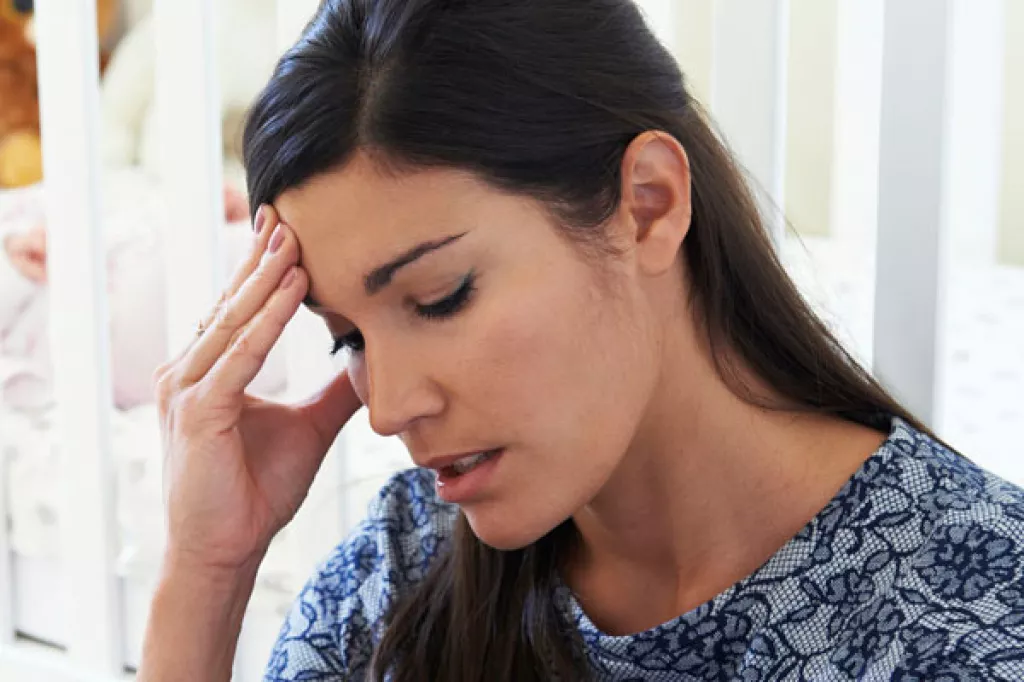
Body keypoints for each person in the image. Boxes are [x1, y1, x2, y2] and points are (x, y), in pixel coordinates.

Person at [137, 0, 1024, 680]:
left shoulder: (974, 614)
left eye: (441, 298)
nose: (390, 409)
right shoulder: (402, 567)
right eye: (348, 340)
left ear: (648, 205)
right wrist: (207, 572)